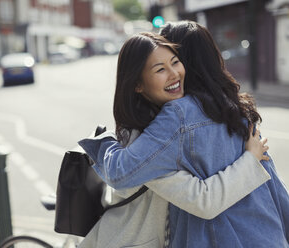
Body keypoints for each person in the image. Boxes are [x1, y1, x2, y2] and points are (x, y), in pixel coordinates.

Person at [79, 23, 289, 247]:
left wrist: (103, 142)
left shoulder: (176, 118)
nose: (173, 72)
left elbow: (121, 173)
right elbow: (273, 186)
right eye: (160, 68)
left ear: (184, 59)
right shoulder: (235, 109)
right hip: (269, 236)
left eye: (174, 60)